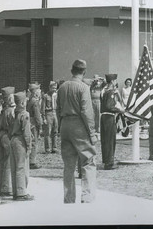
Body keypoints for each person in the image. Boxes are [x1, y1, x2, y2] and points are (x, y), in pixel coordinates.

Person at [56, 59, 98, 204]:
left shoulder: (62, 87)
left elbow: (58, 109)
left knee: (68, 165)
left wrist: (60, 126)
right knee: (88, 161)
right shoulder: (83, 87)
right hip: (79, 125)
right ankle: (87, 197)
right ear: (84, 72)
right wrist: (92, 133)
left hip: (65, 124)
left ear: (71, 70)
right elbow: (87, 112)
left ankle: (68, 198)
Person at [9, 91, 34, 201]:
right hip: (20, 140)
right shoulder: (25, 114)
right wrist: (29, 146)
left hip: (13, 139)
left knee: (15, 166)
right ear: (23, 103)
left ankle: (16, 192)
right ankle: (21, 192)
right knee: (21, 167)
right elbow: (27, 133)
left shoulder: (14, 112)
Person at [100, 74, 125, 170]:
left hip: (104, 117)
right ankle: (109, 163)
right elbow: (109, 106)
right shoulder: (110, 92)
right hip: (109, 117)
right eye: (115, 80)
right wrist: (120, 110)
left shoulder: (104, 91)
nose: (115, 82)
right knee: (110, 140)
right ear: (112, 81)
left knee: (105, 140)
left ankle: (106, 160)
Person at [0, 86, 15, 196]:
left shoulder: (3, 109)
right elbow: (12, 126)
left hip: (1, 135)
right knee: (8, 162)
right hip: (8, 136)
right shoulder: (9, 111)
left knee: (3, 162)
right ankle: (7, 188)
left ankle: (3, 187)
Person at [27, 83, 42, 169]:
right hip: (34, 123)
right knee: (34, 142)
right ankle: (32, 162)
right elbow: (37, 115)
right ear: (35, 91)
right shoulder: (35, 101)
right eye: (38, 90)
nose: (40, 91)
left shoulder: (30, 99)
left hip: (30, 122)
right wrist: (40, 125)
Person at [41, 81, 59, 154]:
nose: (54, 89)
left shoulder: (57, 95)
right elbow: (42, 108)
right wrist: (44, 118)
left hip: (55, 113)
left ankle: (54, 148)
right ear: (49, 88)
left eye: (55, 88)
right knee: (47, 132)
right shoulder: (46, 96)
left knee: (55, 131)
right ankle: (47, 149)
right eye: (53, 88)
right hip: (48, 113)